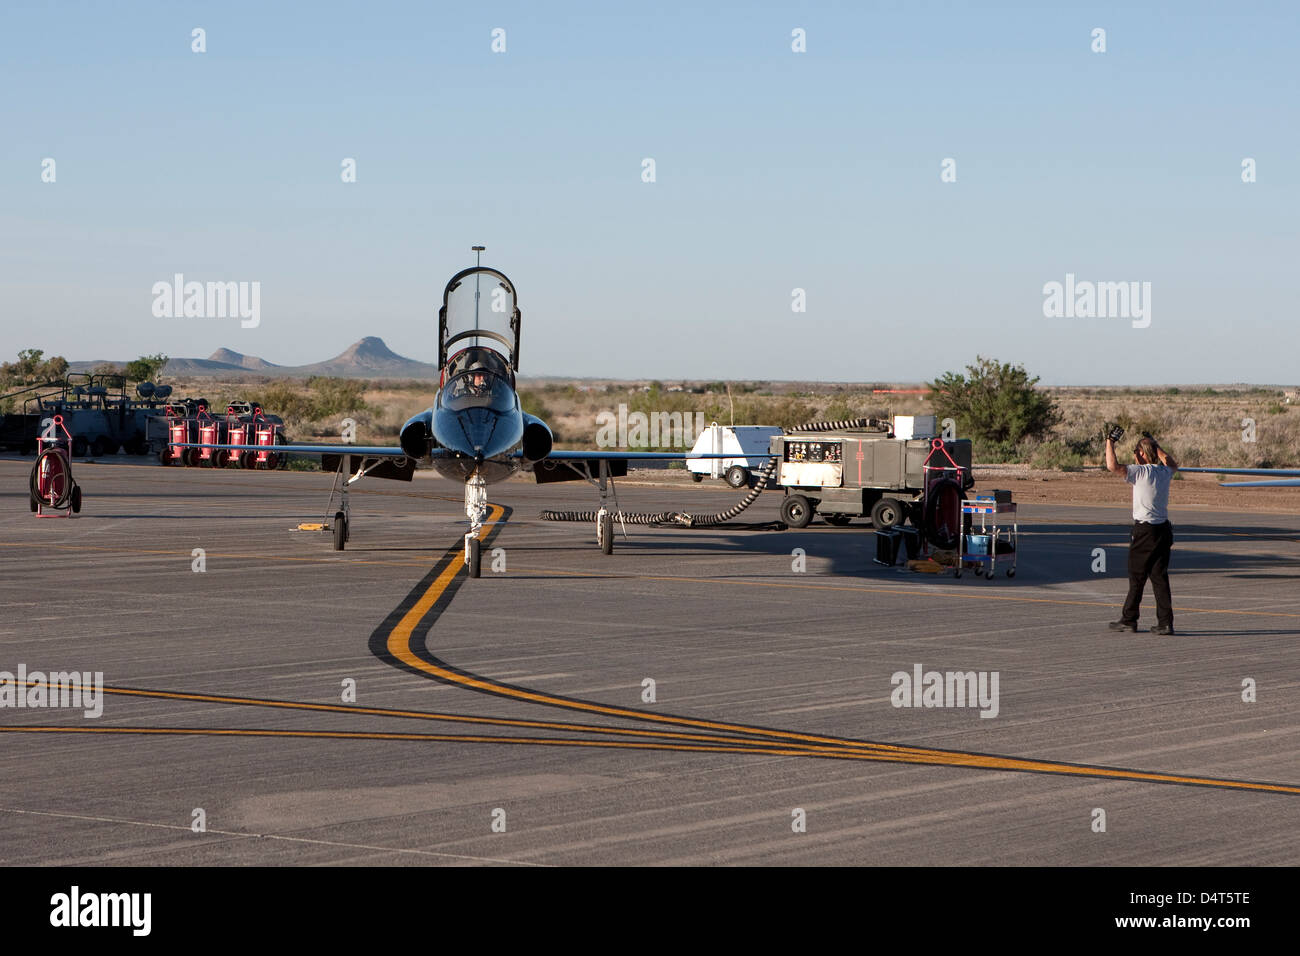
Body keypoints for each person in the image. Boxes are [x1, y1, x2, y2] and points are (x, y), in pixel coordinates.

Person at [1106, 432, 1178, 635]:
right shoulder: (1164, 473)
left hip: (1144, 531)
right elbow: (1172, 464)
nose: (1134, 455)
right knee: (1159, 577)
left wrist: (1110, 442)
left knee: (1137, 576)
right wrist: (1157, 446)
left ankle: (1129, 619)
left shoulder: (1140, 472)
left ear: (1143, 454)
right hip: (1163, 530)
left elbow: (1113, 466)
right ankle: (1165, 622)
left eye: (1136, 451)